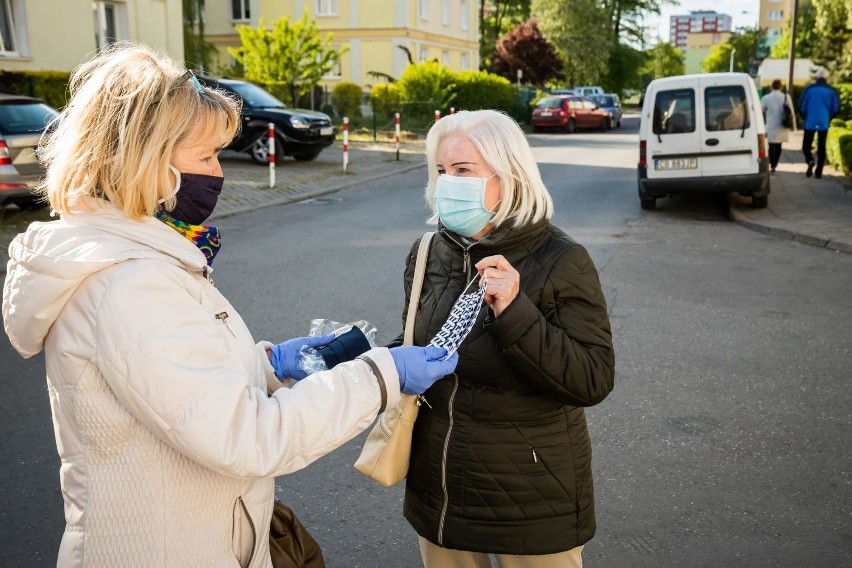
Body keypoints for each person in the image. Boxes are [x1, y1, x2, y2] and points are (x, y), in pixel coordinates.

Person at [1, 43, 457, 568]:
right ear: (143, 157)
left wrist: (268, 365)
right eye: (206, 156)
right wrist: (382, 375)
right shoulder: (128, 284)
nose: (218, 173)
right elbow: (246, 439)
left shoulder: (141, 258)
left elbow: (177, 390)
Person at [393, 109, 615, 568]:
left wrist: (515, 312)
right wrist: (355, 361)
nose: (448, 184)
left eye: (463, 170)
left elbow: (592, 378)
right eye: (441, 171)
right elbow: (415, 343)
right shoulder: (430, 251)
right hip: (441, 493)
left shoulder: (561, 258)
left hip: (529, 499)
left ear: (509, 174)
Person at [799, 66, 841, 178]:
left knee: (806, 145)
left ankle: (810, 160)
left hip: (810, 121)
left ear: (817, 77)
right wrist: (829, 117)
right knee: (822, 147)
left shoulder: (809, 89)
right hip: (823, 121)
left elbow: (802, 105)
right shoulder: (831, 91)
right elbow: (836, 107)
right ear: (826, 78)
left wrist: (804, 116)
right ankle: (819, 172)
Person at [761, 79, 797, 173]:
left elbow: (761, 111)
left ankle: (772, 164)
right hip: (782, 124)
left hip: (771, 124)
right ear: (780, 86)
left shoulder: (766, 98)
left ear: (771, 86)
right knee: (779, 145)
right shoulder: (786, 97)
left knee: (771, 145)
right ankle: (775, 163)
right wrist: (793, 126)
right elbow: (791, 112)